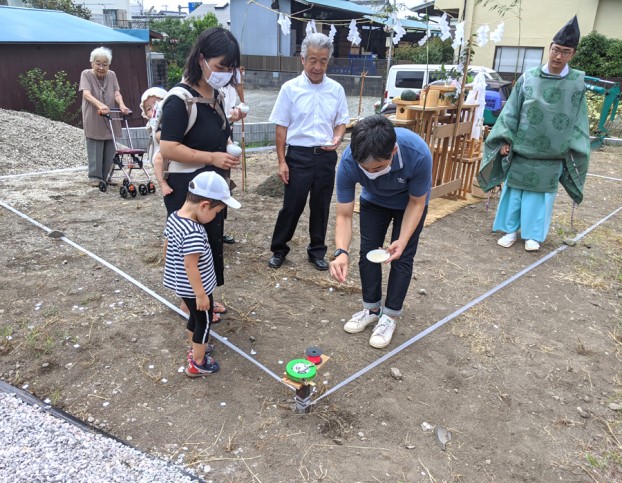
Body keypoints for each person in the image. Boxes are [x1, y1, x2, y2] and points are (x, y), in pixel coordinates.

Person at [477, 15, 590, 252]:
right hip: (522, 148)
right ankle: (510, 231)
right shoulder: (528, 78)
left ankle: (533, 235)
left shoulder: (578, 82)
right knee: (514, 192)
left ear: (573, 54)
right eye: (556, 50)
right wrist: (506, 139)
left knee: (541, 199)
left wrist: (574, 146)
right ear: (549, 48)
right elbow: (512, 111)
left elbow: (579, 118)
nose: (559, 56)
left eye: (566, 52)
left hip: (553, 152)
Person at [159, 27, 243, 320]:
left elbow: (223, 135)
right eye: (221, 66)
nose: (225, 73)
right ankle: (189, 302)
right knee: (190, 245)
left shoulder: (218, 97)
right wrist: (211, 157)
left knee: (209, 242)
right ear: (201, 59)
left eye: (231, 69)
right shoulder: (179, 99)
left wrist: (229, 151)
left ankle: (206, 295)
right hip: (187, 187)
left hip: (214, 184)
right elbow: (168, 147)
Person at [329, 115, 432, 349]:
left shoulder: (417, 154)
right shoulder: (348, 162)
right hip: (374, 201)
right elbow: (344, 214)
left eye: (377, 167)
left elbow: (417, 202)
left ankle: (390, 315)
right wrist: (341, 251)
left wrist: (402, 240)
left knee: (401, 257)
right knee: (368, 253)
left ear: (393, 151)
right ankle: (372, 309)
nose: (370, 172)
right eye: (365, 168)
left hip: (409, 203)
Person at [268, 32, 350, 271]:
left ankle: (317, 251)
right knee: (292, 205)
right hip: (298, 156)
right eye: (312, 59)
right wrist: (282, 161)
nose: (317, 66)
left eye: (323, 60)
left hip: (325, 156)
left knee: (321, 205)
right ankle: (279, 248)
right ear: (302, 59)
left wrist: (338, 137)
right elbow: (281, 127)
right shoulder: (289, 89)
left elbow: (341, 121)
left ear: (328, 61)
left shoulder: (336, 90)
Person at [163, 171, 241, 377]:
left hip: (182, 284)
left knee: (195, 319)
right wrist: (201, 294)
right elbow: (191, 266)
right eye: (217, 212)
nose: (216, 217)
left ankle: (195, 347)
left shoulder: (175, 217)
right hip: (196, 288)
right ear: (204, 205)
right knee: (204, 323)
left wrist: (169, 265)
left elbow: (167, 245)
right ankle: (198, 362)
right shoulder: (194, 231)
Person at [79, 46, 130, 188]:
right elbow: (86, 94)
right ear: (92, 63)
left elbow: (117, 93)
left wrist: (122, 105)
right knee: (95, 145)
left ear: (109, 65)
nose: (101, 67)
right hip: (94, 116)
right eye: (98, 63)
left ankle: (106, 176)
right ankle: (95, 177)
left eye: (104, 64)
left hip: (110, 115)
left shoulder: (112, 75)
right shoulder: (86, 74)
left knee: (110, 146)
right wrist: (100, 105)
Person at [140, 87, 171, 195]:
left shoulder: (172, 117)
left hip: (173, 148)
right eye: (148, 109)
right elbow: (158, 137)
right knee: (158, 160)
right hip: (160, 149)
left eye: (157, 103)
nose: (154, 109)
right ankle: (162, 183)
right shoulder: (154, 124)